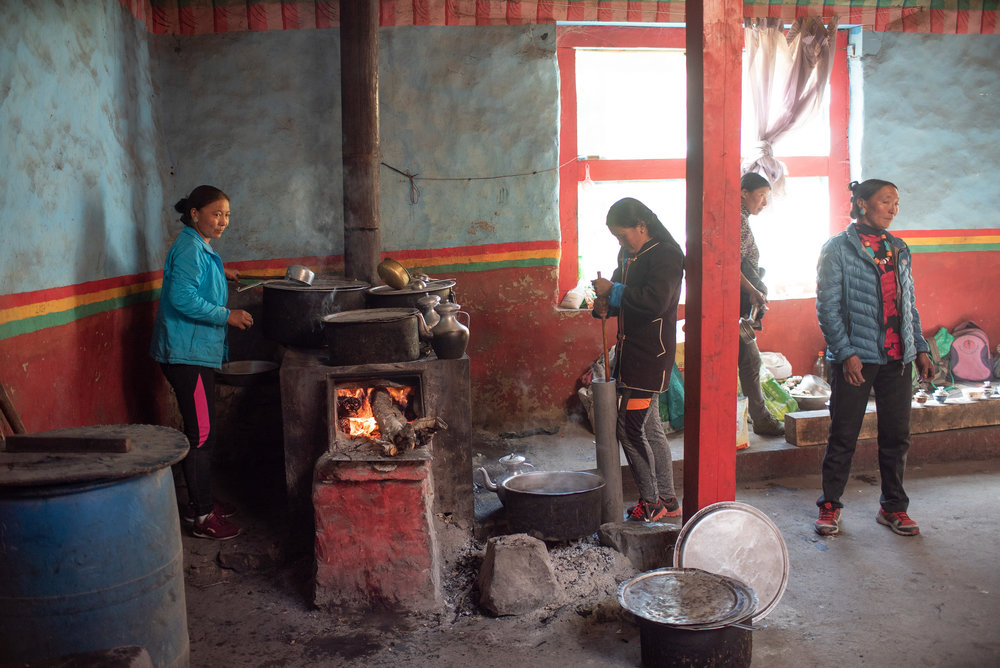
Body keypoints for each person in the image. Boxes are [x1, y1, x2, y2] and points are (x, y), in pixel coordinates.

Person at [814, 179, 933, 537]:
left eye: (897, 203)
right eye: (886, 201)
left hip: (898, 359)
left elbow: (907, 303)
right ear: (863, 204)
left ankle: (893, 507)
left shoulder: (898, 248)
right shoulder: (837, 249)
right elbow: (827, 308)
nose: (893, 209)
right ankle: (830, 505)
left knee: (897, 436)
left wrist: (921, 347)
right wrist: (846, 353)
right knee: (843, 434)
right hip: (856, 359)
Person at [150, 185, 254, 540]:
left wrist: (222, 274)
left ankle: (202, 501)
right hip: (185, 355)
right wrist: (227, 314)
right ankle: (202, 516)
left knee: (203, 432)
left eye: (227, 215)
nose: (223, 221)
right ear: (195, 213)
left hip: (191, 352)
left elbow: (193, 279)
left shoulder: (198, 245)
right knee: (202, 435)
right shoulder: (190, 247)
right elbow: (181, 298)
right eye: (216, 213)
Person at [593, 198, 684, 523]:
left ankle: (651, 501)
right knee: (651, 428)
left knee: (629, 430)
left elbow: (654, 302)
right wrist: (605, 304)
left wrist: (614, 291)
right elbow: (621, 295)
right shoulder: (629, 255)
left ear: (642, 226)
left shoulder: (667, 256)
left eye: (623, 234)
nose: (620, 242)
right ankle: (669, 500)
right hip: (630, 354)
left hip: (650, 357)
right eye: (616, 237)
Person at [739, 172, 786, 437]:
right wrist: (753, 289)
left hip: (742, 301)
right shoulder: (735, 219)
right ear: (743, 192)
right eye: (761, 196)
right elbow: (729, 263)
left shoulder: (740, 219)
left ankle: (759, 417)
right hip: (733, 303)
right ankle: (761, 419)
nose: (764, 203)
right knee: (749, 361)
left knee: (749, 361)